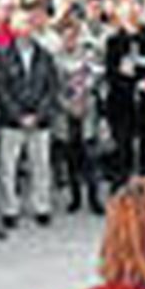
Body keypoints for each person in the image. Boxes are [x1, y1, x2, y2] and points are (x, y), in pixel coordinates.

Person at [0, 7, 61, 228]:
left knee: (40, 165)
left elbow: (52, 88)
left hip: (40, 120)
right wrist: (18, 115)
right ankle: (10, 209)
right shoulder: (2, 56)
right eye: (21, 24)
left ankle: (41, 206)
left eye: (29, 24)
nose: (26, 29)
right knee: (8, 167)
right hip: (12, 120)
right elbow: (0, 89)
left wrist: (38, 114)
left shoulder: (45, 55)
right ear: (12, 28)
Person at [105, 0, 145, 188]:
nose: (131, 17)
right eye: (127, 13)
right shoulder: (113, 41)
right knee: (123, 150)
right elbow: (112, 74)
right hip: (122, 105)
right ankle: (122, 194)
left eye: (135, 12)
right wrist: (134, 84)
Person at [51, 15, 104, 216]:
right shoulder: (55, 58)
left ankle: (94, 198)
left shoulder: (89, 54)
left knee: (91, 157)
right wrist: (68, 105)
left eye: (74, 35)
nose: (70, 40)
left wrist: (84, 97)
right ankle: (75, 198)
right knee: (72, 157)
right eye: (66, 36)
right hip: (65, 113)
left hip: (88, 110)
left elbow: (97, 78)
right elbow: (53, 87)